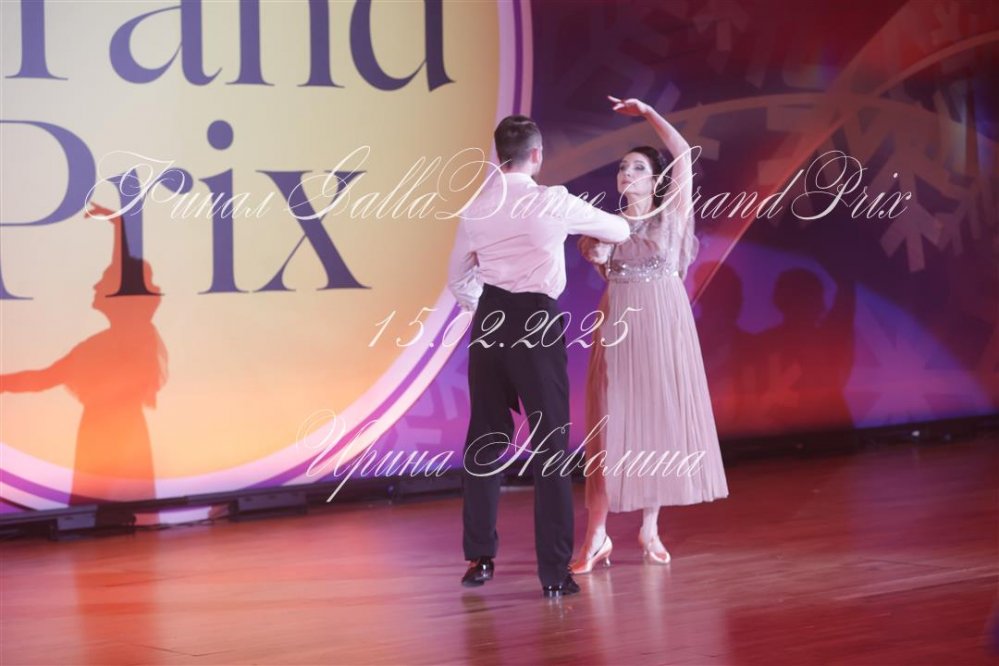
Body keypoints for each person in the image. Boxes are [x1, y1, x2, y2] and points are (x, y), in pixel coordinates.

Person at [448, 115, 630, 597]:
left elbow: (457, 279)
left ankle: (479, 558)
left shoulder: (477, 207)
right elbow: (618, 229)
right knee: (550, 445)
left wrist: (487, 308)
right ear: (537, 155)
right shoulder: (552, 200)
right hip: (534, 319)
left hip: (491, 320)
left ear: (497, 156)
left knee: (485, 437)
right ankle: (553, 572)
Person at [571, 96, 729, 574]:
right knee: (612, 424)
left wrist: (648, 113)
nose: (627, 173)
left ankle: (650, 529)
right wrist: (597, 249)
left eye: (638, 167)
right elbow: (598, 261)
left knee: (657, 421)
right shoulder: (606, 225)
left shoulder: (672, 214)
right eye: (623, 168)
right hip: (621, 322)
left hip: (664, 320)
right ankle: (596, 535)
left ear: (656, 179)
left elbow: (682, 153)